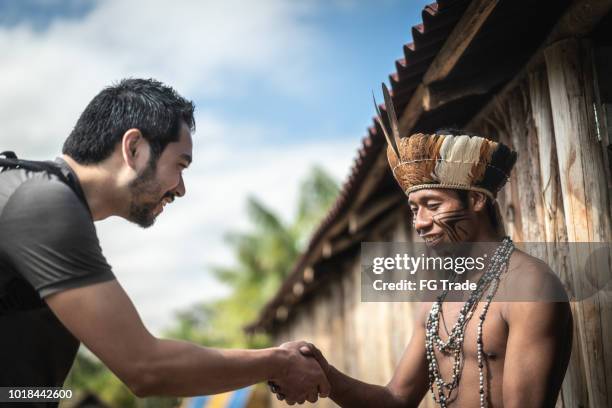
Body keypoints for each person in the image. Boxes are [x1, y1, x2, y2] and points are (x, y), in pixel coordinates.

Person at [0, 78, 328, 407]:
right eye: (180, 165)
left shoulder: (32, 191)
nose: (181, 188)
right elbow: (144, 367)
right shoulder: (42, 203)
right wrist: (278, 362)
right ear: (134, 149)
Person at [270, 87, 573, 407]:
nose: (420, 221)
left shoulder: (531, 286)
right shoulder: (436, 298)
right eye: (415, 209)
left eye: (432, 204)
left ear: (476, 199)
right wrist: (326, 375)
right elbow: (396, 400)